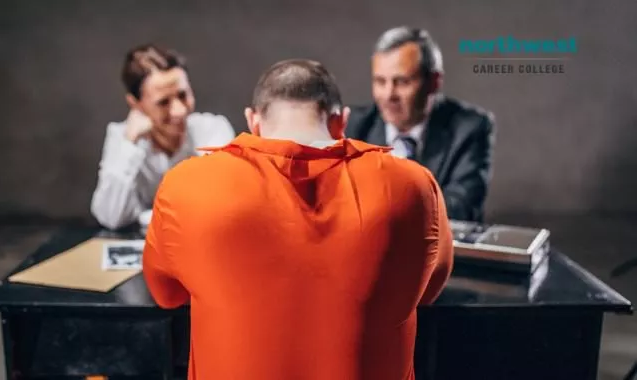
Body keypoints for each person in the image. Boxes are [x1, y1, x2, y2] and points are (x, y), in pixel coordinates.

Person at [143, 59, 453, 380]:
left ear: (253, 121)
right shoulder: (416, 185)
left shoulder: (186, 184)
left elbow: (167, 295)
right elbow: (427, 291)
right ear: (340, 121)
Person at [346, 26, 495, 222]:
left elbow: (460, 208)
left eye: (402, 82)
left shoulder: (470, 127)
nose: (389, 95)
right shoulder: (352, 125)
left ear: (434, 82)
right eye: (380, 81)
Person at [91, 44, 236, 230]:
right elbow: (111, 217)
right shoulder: (122, 138)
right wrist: (129, 145)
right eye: (163, 102)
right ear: (135, 103)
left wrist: (145, 217)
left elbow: (219, 203)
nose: (179, 111)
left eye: (183, 95)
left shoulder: (212, 129)